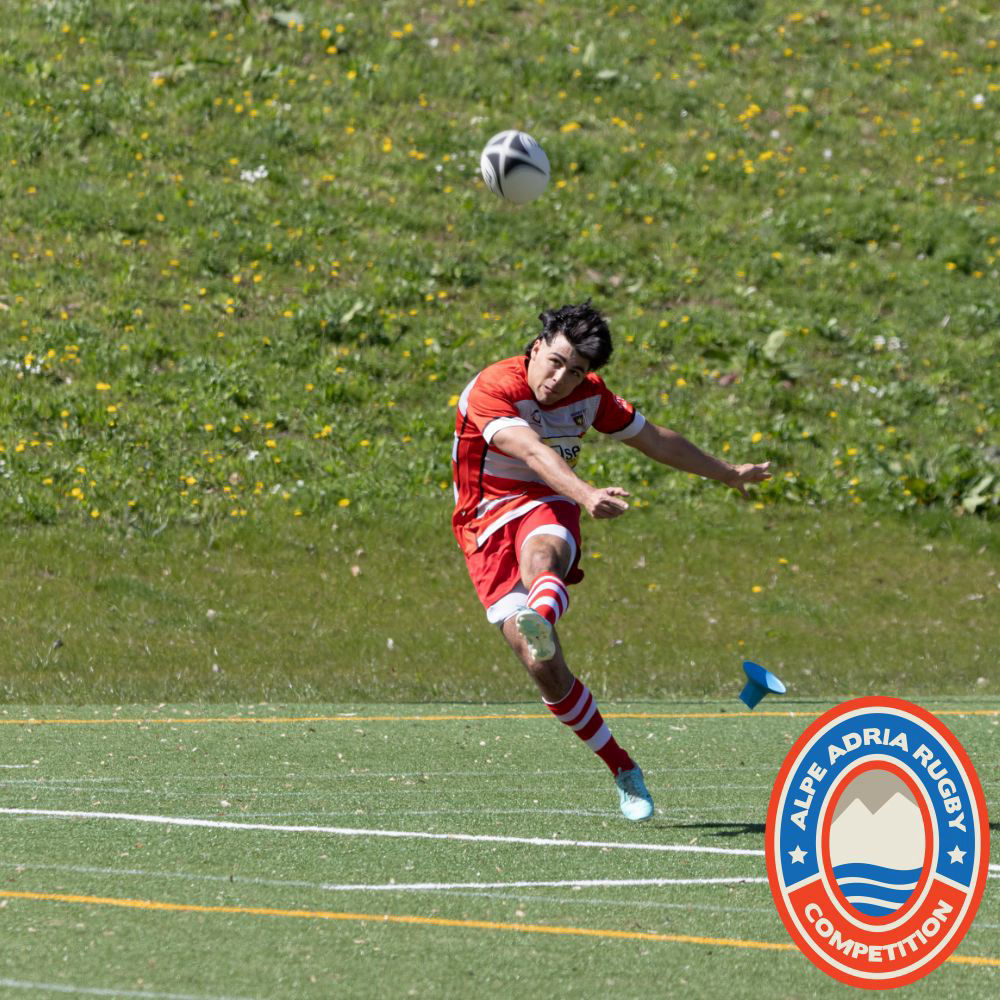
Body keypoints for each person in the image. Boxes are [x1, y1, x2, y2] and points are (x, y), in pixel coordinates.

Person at [450, 301, 771, 821]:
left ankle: (541, 616)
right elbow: (532, 452)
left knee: (542, 554)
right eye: (555, 362)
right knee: (545, 670)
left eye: (576, 371)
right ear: (536, 347)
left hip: (547, 502)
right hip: (485, 520)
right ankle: (622, 765)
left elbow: (654, 440)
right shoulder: (494, 387)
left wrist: (728, 472)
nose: (560, 380)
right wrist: (586, 492)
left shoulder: (591, 397)